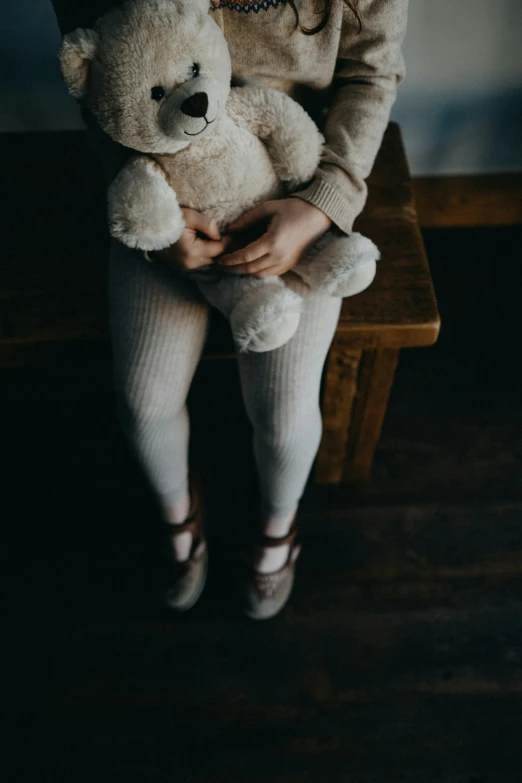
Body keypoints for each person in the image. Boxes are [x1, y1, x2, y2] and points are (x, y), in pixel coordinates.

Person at [52, 0, 408, 619]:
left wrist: (321, 205)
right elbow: (100, 80)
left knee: (285, 412)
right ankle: (177, 513)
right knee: (142, 398)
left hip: (295, 192)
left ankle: (277, 527)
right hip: (161, 188)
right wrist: (155, 223)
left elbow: (372, 76)